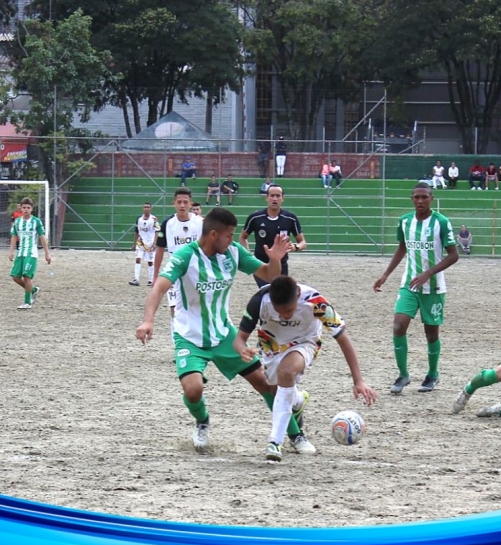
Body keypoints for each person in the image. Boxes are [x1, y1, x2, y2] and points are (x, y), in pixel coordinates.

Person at [136, 208, 293, 450]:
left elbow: (270, 276)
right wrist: (148, 320)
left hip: (224, 334)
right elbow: (158, 288)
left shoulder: (233, 252)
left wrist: (275, 259)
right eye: (229, 235)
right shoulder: (185, 256)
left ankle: (296, 435)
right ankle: (202, 421)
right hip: (189, 336)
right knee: (193, 390)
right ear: (212, 235)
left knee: (264, 383)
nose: (233, 239)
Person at [234, 276, 377, 462]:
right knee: (276, 391)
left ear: (298, 295)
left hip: (305, 343)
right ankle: (298, 400)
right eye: (280, 312)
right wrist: (242, 349)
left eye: (289, 310)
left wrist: (358, 380)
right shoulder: (260, 300)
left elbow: (343, 338)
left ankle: (274, 442)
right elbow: (239, 338)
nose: (285, 316)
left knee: (286, 372)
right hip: (272, 348)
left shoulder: (316, 302)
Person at [373, 182, 459, 394]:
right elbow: (402, 247)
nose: (420, 201)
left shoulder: (441, 222)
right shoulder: (404, 221)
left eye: (424, 197)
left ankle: (432, 374)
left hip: (434, 288)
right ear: (412, 198)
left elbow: (454, 255)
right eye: (416, 197)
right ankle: (403, 375)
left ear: (432, 198)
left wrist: (428, 273)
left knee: (431, 334)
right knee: (398, 326)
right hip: (409, 285)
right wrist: (386, 274)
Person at [153, 188, 205, 343]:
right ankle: (179, 346)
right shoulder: (168, 224)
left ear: (190, 203)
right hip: (175, 274)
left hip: (197, 273)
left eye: (185, 202)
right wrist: (155, 276)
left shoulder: (200, 223)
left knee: (196, 308)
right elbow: (160, 249)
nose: (182, 205)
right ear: (173, 203)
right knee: (175, 310)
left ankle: (197, 342)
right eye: (179, 202)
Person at [240, 184, 306, 288]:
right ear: (267, 198)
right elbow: (243, 237)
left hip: (281, 265)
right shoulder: (255, 217)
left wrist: (295, 247)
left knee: (280, 295)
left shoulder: (290, 218)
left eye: (278, 196)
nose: (275, 199)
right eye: (272, 195)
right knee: (267, 292)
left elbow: (303, 242)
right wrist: (248, 255)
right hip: (260, 264)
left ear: (282, 198)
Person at [8, 197, 51, 310]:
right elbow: (14, 236)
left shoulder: (36, 221)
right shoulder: (17, 221)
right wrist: (11, 251)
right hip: (20, 252)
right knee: (15, 277)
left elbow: (42, 237)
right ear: (20, 208)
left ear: (32, 209)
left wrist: (47, 253)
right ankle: (33, 290)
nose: (26, 209)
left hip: (31, 253)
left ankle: (27, 302)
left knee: (27, 276)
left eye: (28, 208)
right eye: (24, 207)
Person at [129, 203, 160, 287]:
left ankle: (150, 280)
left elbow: (157, 231)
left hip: (150, 243)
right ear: (143, 208)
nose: (146, 208)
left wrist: (154, 243)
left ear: (150, 209)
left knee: (150, 262)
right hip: (141, 242)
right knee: (138, 258)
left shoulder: (154, 219)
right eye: (145, 207)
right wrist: (134, 243)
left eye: (148, 207)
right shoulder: (139, 219)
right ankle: (136, 279)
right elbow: (136, 231)